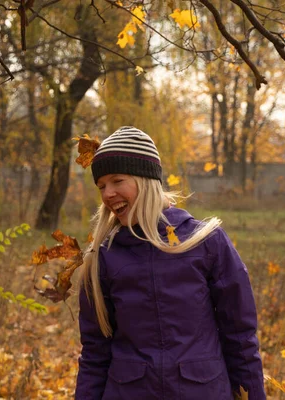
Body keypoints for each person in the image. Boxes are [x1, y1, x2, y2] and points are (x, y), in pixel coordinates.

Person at [75, 126, 266, 400]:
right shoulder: (102, 258)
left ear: (146, 179)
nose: (107, 194)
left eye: (117, 180)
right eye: (102, 186)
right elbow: (95, 352)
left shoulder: (207, 242)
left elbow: (240, 339)